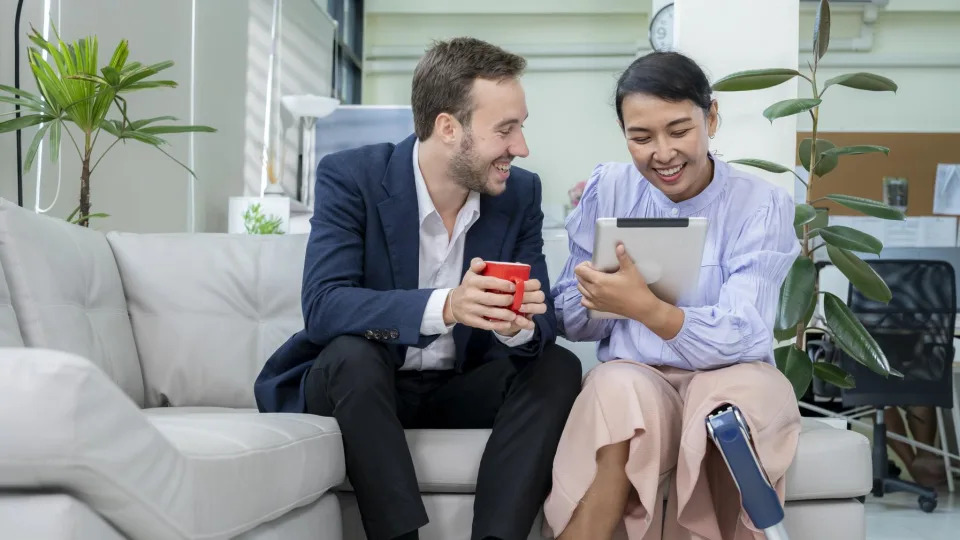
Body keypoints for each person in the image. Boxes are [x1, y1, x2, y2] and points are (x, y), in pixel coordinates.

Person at [253, 37, 582, 540]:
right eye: (505, 130)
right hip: (361, 387)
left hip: (461, 384)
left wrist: (516, 327)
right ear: (448, 128)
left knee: (557, 366)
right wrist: (448, 306)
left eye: (521, 127)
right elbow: (324, 305)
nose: (521, 147)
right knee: (352, 354)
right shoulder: (352, 177)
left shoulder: (519, 194)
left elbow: (540, 326)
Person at [542, 51, 802, 540]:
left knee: (728, 403)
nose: (662, 153)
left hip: (731, 374)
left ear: (712, 117)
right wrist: (597, 298)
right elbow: (570, 322)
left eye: (679, 130)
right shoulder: (609, 188)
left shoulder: (760, 204)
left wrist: (649, 310)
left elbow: (743, 332)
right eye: (641, 137)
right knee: (615, 387)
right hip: (639, 379)